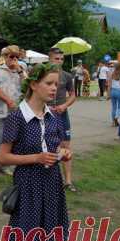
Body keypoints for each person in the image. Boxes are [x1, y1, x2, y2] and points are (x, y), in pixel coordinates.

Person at [0, 63, 72, 241]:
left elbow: (55, 147)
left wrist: (63, 153)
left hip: (50, 184)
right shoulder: (17, 117)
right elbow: (2, 157)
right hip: (28, 186)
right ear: (33, 84)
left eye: (56, 84)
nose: (54, 88)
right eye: (49, 83)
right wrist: (35, 158)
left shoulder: (54, 117)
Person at [0, 45, 24, 179]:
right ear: (5, 57)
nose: (13, 59)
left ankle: (5, 165)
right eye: (11, 56)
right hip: (0, 111)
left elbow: (28, 87)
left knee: (10, 140)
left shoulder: (20, 72)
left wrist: (19, 71)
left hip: (15, 112)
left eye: (16, 57)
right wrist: (8, 100)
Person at [47, 47, 77, 192]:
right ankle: (47, 180)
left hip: (61, 113)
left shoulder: (66, 76)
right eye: (56, 59)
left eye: (61, 59)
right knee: (45, 145)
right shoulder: (43, 74)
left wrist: (64, 105)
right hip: (45, 112)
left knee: (65, 146)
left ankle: (68, 181)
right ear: (50, 59)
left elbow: (73, 95)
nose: (59, 61)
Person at [107, 62, 120, 126]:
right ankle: (116, 118)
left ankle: (113, 122)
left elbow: (109, 85)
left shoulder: (112, 74)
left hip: (113, 91)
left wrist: (108, 94)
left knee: (114, 107)